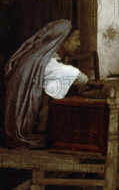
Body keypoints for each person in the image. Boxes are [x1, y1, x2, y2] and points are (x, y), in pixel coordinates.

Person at [4, 20, 93, 149]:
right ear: (63, 41)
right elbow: (70, 73)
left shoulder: (42, 57)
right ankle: (41, 132)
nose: (79, 44)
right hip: (20, 122)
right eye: (76, 40)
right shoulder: (44, 60)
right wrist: (95, 84)